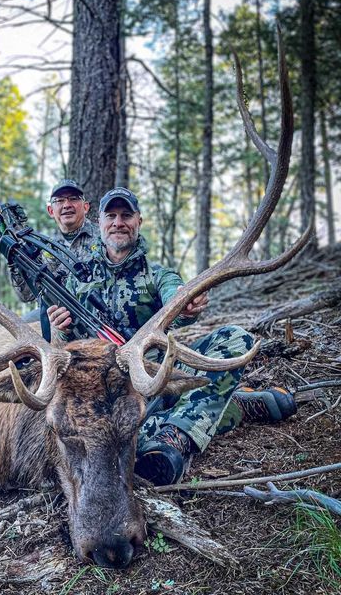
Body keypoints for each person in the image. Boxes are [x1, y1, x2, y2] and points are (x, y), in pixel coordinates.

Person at [48, 187, 297, 486]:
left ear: (138, 221)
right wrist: (58, 326)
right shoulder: (76, 282)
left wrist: (186, 303)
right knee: (113, 442)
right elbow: (62, 347)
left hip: (161, 375)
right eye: (111, 216)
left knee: (234, 339)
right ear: (98, 223)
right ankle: (232, 407)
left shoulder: (157, 275)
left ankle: (175, 436)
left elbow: (176, 296)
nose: (118, 222)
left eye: (126, 215)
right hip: (106, 394)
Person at [7, 179, 99, 304]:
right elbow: (26, 295)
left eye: (73, 198)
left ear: (86, 207)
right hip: (56, 314)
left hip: (95, 312)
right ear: (50, 211)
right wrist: (16, 258)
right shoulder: (44, 246)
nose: (67, 205)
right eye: (59, 200)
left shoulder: (103, 237)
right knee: (24, 321)